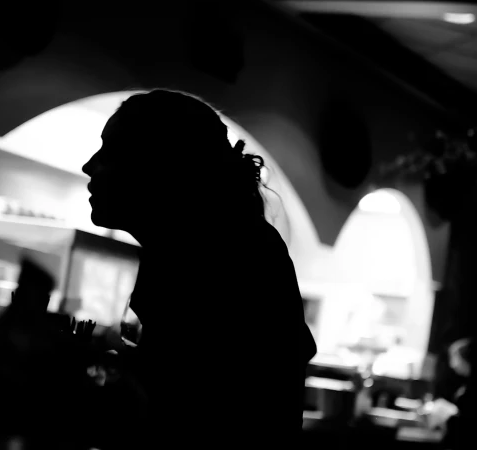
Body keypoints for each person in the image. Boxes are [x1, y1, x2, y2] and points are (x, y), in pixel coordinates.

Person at [82, 89, 317, 446]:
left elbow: (193, 415)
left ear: (158, 163)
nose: (90, 165)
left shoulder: (224, 254)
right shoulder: (187, 246)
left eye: (110, 150)